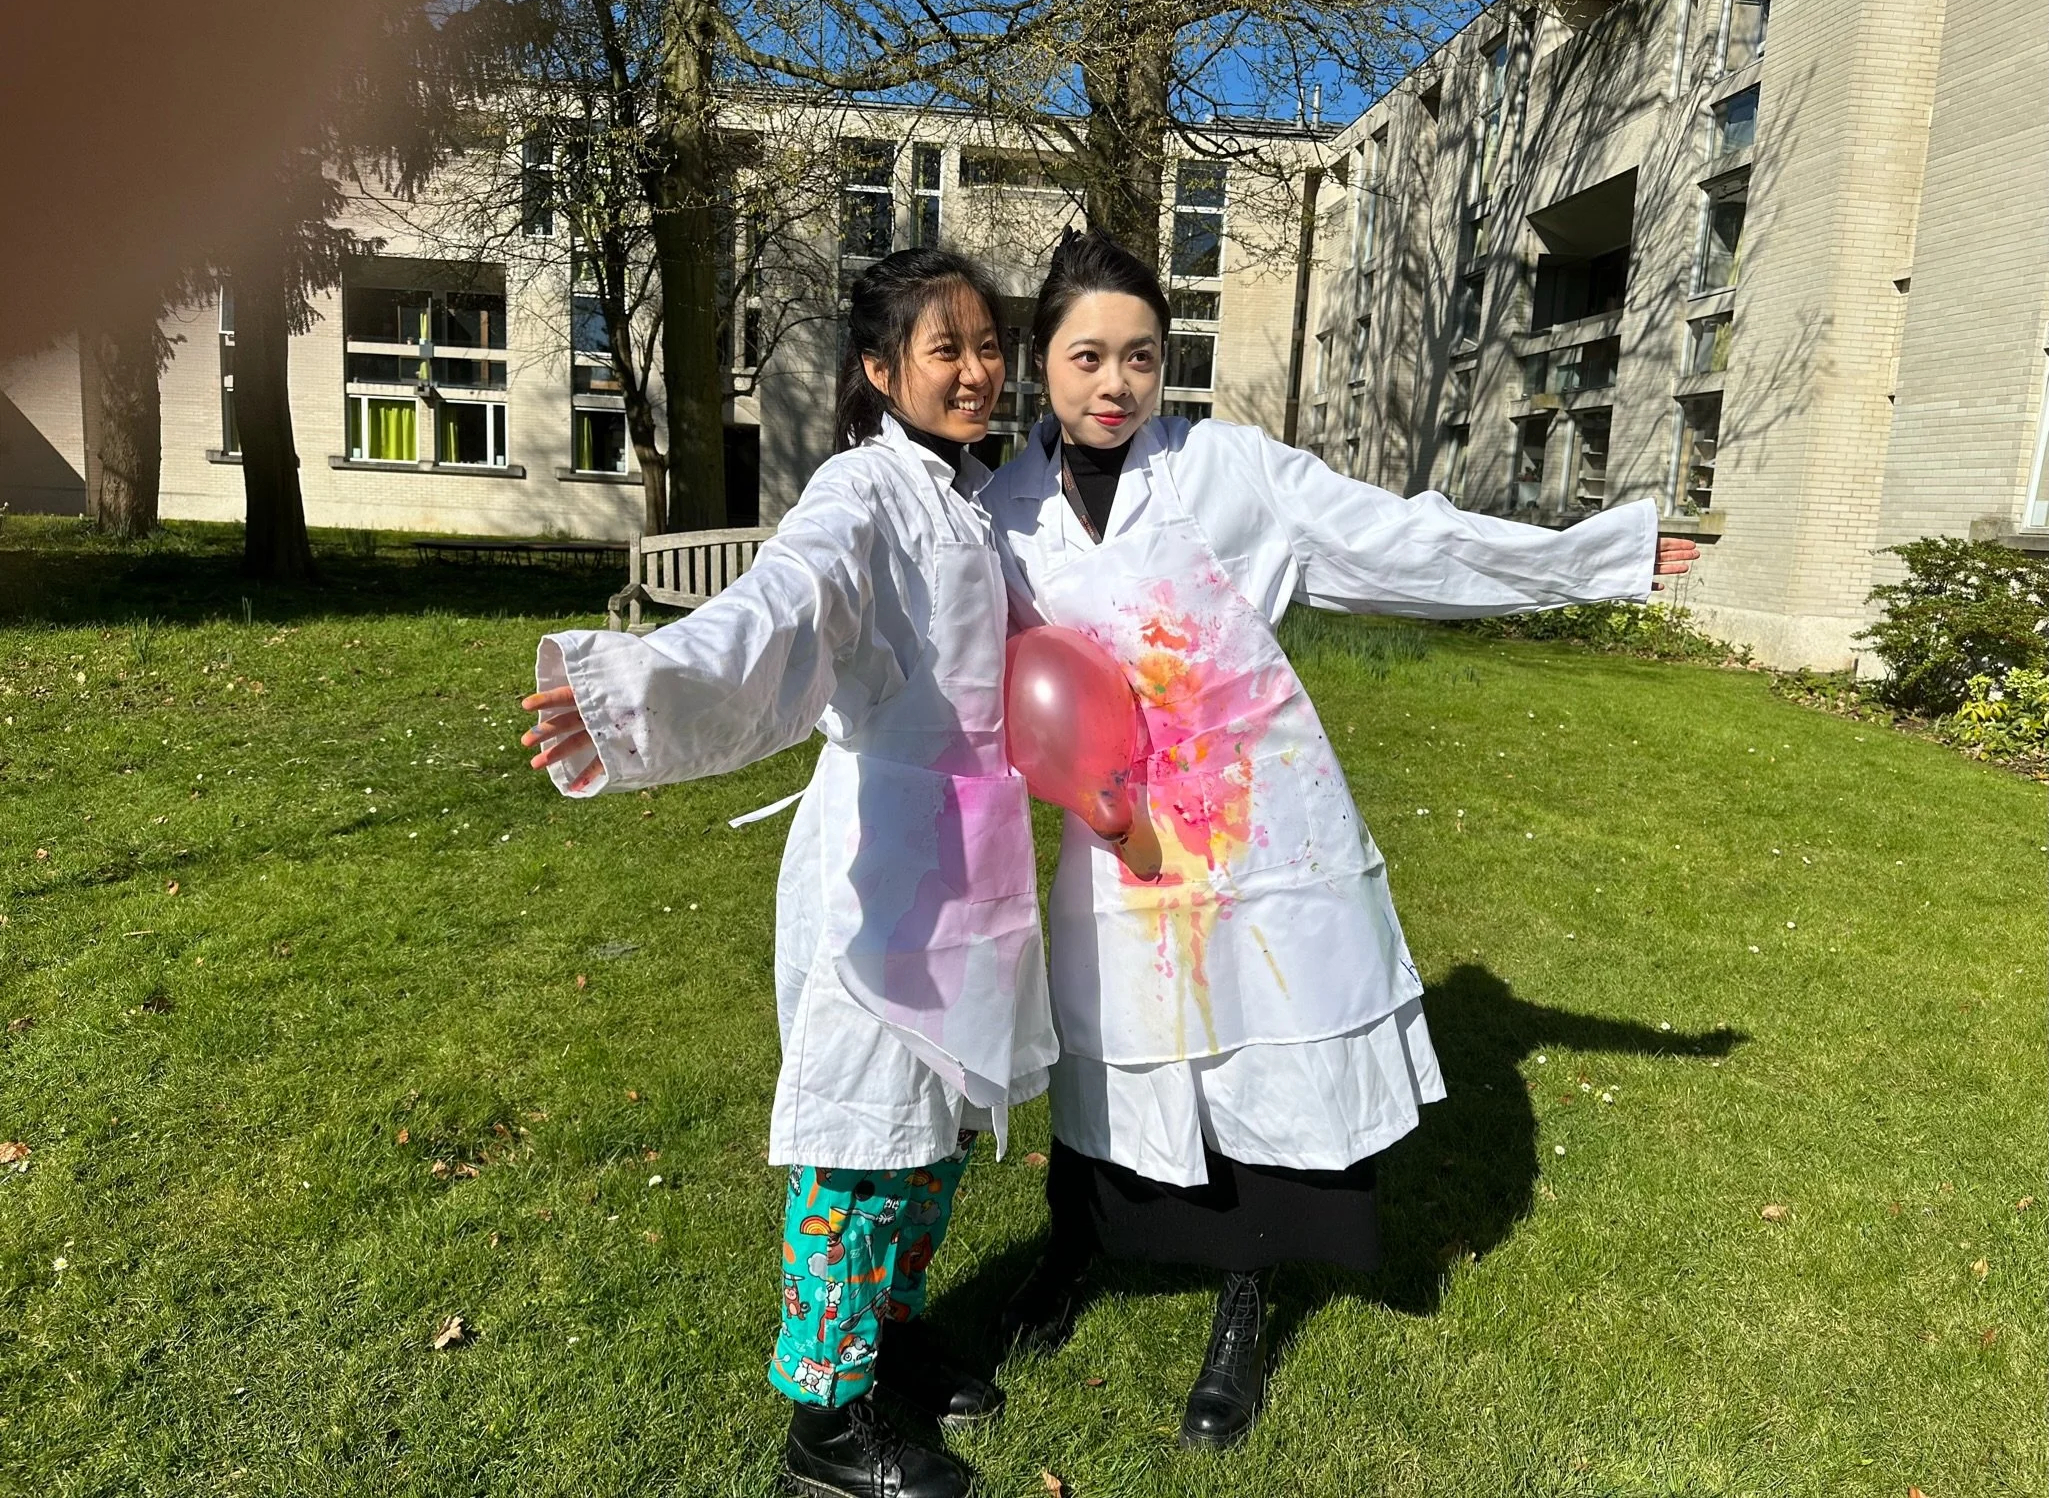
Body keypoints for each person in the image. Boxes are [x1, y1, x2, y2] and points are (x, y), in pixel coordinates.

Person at [984, 228, 1698, 1450]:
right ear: (1039, 363)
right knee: (1119, 1049)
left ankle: (1245, 1298)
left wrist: (1595, 560)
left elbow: (1406, 537)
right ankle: (1085, 1252)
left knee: (1267, 1053)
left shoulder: (1231, 472)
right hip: (1120, 840)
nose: (1116, 385)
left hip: (1257, 834)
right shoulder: (1003, 509)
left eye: (1143, 358)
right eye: (1088, 356)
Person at [521, 249, 1055, 1498]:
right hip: (882, 855)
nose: (979, 370)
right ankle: (825, 1423)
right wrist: (642, 687)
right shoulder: (863, 489)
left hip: (974, 848)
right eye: (948, 349)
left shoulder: (975, 495)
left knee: (936, 1130)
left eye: (989, 344)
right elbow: (786, 604)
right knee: (861, 1136)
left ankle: (894, 1341)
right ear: (881, 371)